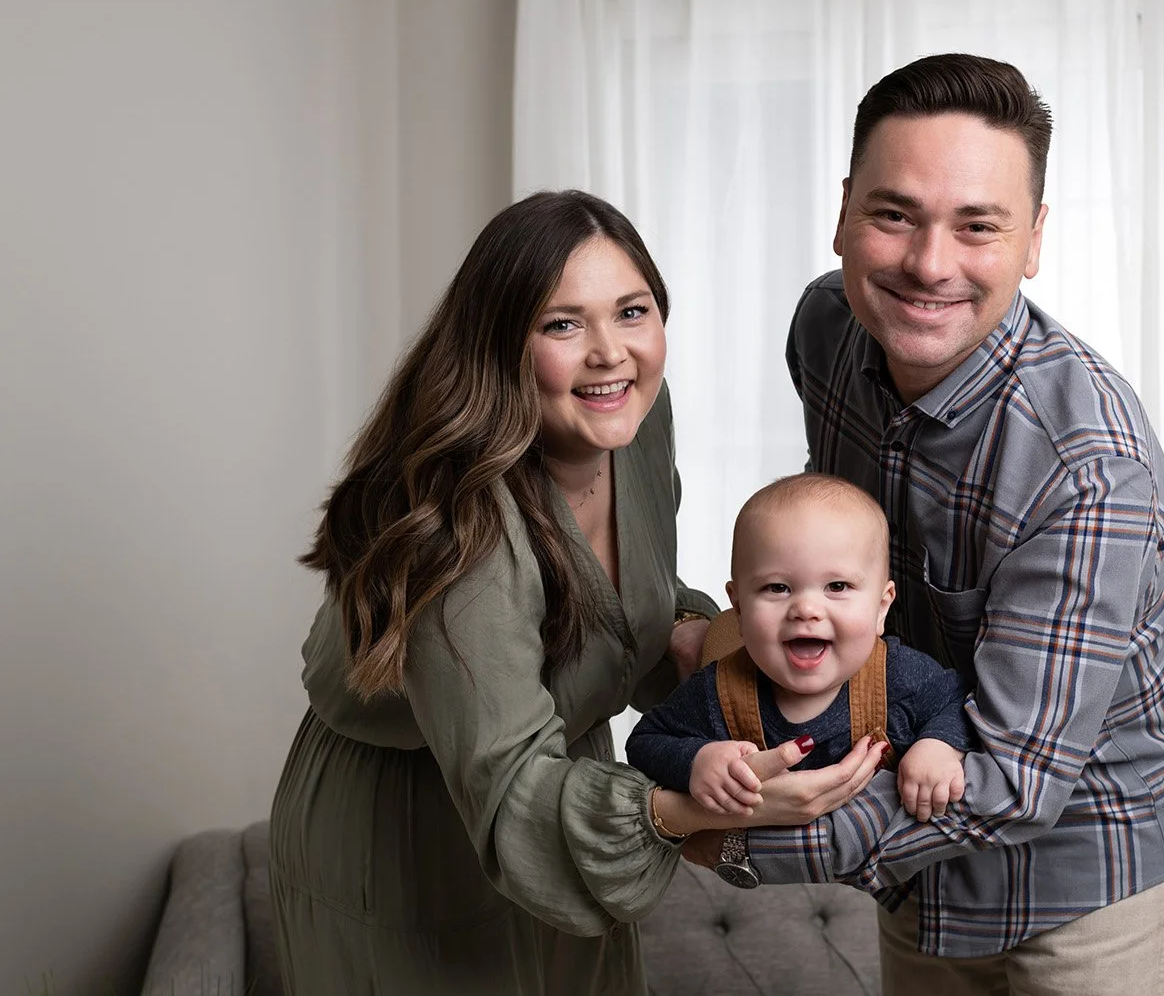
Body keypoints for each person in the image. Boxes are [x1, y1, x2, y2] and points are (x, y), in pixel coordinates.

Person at [267, 190, 886, 995]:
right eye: (563, 324)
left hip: (565, 774)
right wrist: (684, 813)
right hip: (418, 829)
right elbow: (511, 783)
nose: (610, 354)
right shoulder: (465, 536)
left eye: (632, 312)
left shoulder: (632, 422)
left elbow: (624, 598)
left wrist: (704, 640)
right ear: (501, 347)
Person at [720, 53, 1164, 995]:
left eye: (977, 227)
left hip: (1089, 885)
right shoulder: (826, 328)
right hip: (916, 859)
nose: (927, 265)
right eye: (894, 213)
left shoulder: (1088, 460)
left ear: (1032, 242)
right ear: (842, 213)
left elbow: (1018, 779)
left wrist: (725, 837)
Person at [626, 473, 975, 829]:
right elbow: (645, 742)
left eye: (837, 586)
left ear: (881, 607)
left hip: (872, 873)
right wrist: (697, 760)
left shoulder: (898, 676)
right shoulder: (717, 692)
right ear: (740, 611)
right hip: (757, 871)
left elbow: (959, 700)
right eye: (778, 587)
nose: (806, 609)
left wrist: (938, 745)